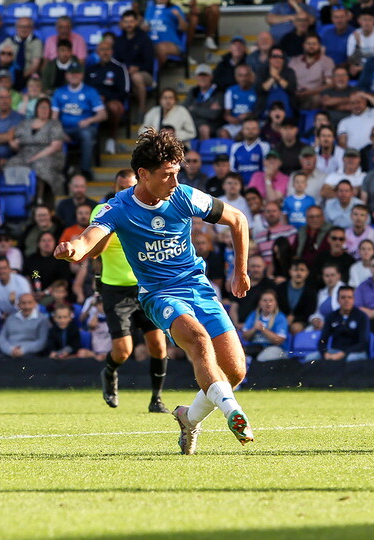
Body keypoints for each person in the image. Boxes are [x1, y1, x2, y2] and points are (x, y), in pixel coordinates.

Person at [55, 128, 255, 454]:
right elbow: (87, 240)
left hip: (197, 287)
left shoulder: (182, 196)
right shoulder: (117, 208)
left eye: (178, 174)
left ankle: (188, 418)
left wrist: (241, 271)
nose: (175, 183)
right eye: (168, 176)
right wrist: (72, 250)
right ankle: (235, 414)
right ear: (143, 174)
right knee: (199, 341)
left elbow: (237, 219)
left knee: (235, 371)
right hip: (159, 295)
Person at [83, 170, 171, 412]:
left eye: (129, 186)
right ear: (114, 186)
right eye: (120, 186)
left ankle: (156, 399)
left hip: (146, 286)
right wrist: (111, 228)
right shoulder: (103, 211)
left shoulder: (147, 209)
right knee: (123, 350)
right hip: (116, 288)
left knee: (158, 345)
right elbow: (95, 251)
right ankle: (109, 372)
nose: (124, 190)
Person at [52, 64, 106, 175]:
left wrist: (89, 120)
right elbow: (54, 117)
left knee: (86, 135)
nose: (74, 75)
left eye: (77, 73)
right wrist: (59, 131)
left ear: (82, 75)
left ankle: (85, 170)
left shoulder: (90, 91)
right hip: (64, 128)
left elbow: (103, 115)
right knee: (54, 134)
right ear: (67, 75)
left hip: (84, 128)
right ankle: (62, 171)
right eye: (71, 73)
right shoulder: (59, 92)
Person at [312, 286, 370, 362]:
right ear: (337, 300)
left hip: (355, 353)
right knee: (311, 358)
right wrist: (324, 353)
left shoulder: (362, 317)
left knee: (350, 359)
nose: (346, 300)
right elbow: (322, 340)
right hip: (335, 351)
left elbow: (363, 343)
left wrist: (343, 353)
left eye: (350, 297)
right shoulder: (331, 317)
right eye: (343, 297)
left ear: (354, 299)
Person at [241, 289, 288, 362]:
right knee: (240, 356)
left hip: (274, 348)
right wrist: (254, 329)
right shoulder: (254, 315)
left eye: (271, 300)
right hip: (255, 347)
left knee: (263, 358)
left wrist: (263, 329)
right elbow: (245, 336)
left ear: (275, 303)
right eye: (265, 300)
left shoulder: (280, 317)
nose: (268, 303)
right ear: (260, 302)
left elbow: (279, 340)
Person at [0, 293, 49, 357]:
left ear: (35, 304)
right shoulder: (10, 318)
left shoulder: (42, 320)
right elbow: (2, 338)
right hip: (9, 353)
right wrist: (10, 350)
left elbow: (42, 342)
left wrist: (23, 350)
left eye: (30, 302)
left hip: (30, 354)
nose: (27, 306)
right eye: (23, 303)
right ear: (18, 305)